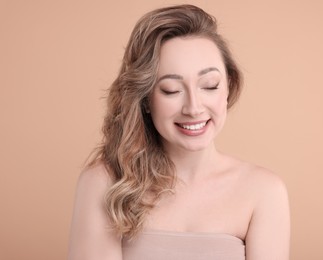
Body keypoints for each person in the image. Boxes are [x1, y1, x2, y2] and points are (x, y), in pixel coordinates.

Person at [68, 4, 290, 260]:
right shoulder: (104, 183)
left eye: (210, 85)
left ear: (228, 86)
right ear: (145, 100)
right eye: (171, 90)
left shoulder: (264, 191)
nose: (194, 108)